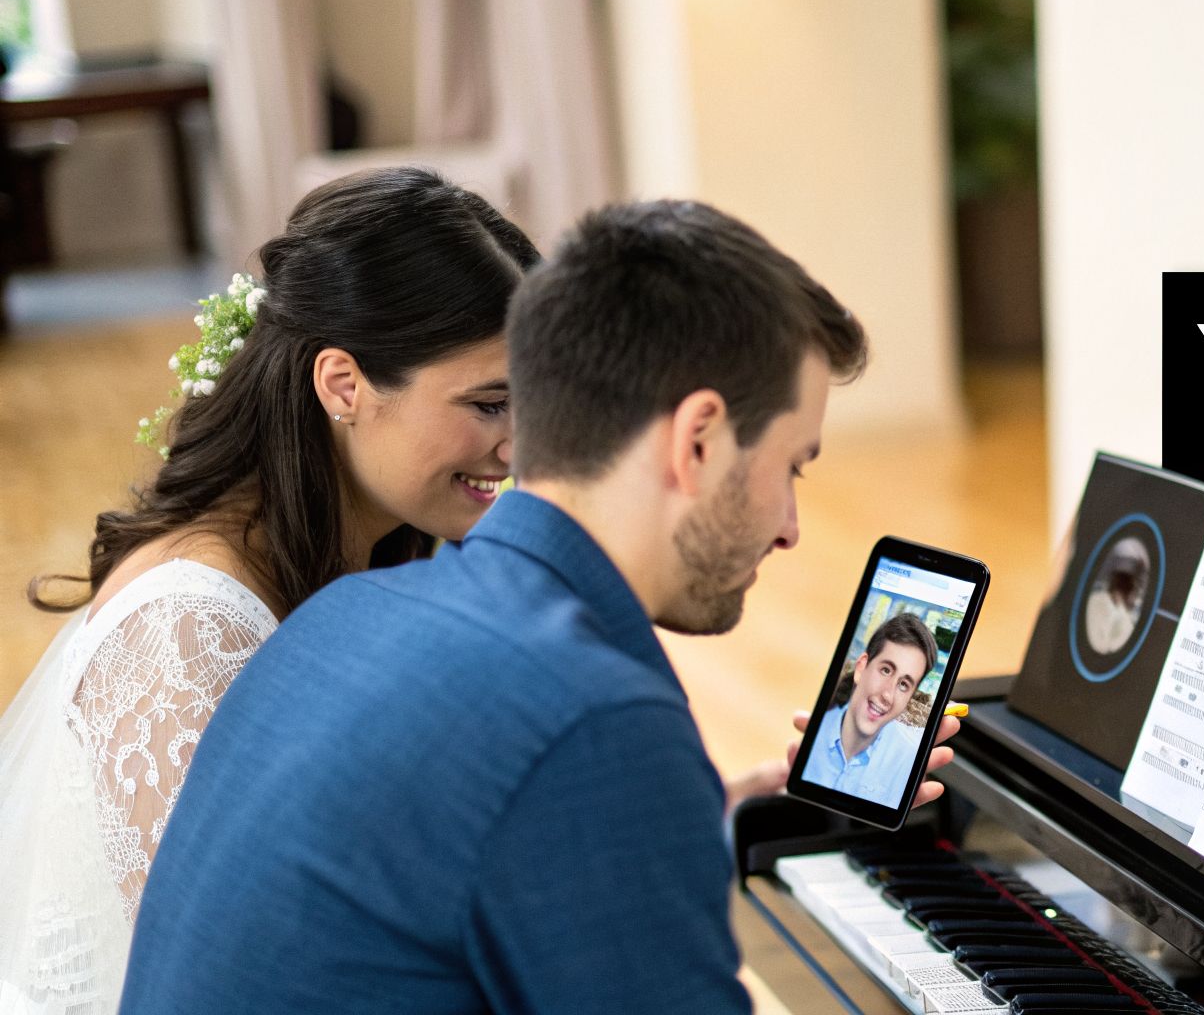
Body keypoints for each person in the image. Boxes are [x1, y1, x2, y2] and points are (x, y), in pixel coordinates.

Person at [120, 199, 960, 1013]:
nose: (790, 528)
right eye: (792, 467)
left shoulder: (338, 618)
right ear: (697, 439)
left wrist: (697, 824)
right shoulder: (591, 718)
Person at [0, 167, 538, 1014]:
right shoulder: (185, 635)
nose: (517, 447)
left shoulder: (349, 557)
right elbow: (248, 978)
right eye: (488, 404)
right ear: (343, 385)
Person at [802, 612, 940, 805]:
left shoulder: (907, 761)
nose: (887, 695)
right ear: (861, 668)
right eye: (886, 670)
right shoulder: (816, 730)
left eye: (903, 685)